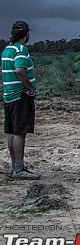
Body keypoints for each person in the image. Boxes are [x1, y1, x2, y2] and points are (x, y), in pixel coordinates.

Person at [3, 21, 40, 180]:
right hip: (20, 96)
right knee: (20, 132)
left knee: (12, 131)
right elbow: (19, 70)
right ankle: (19, 169)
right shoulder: (20, 50)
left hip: (9, 95)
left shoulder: (7, 50)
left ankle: (14, 166)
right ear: (26, 34)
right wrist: (30, 89)